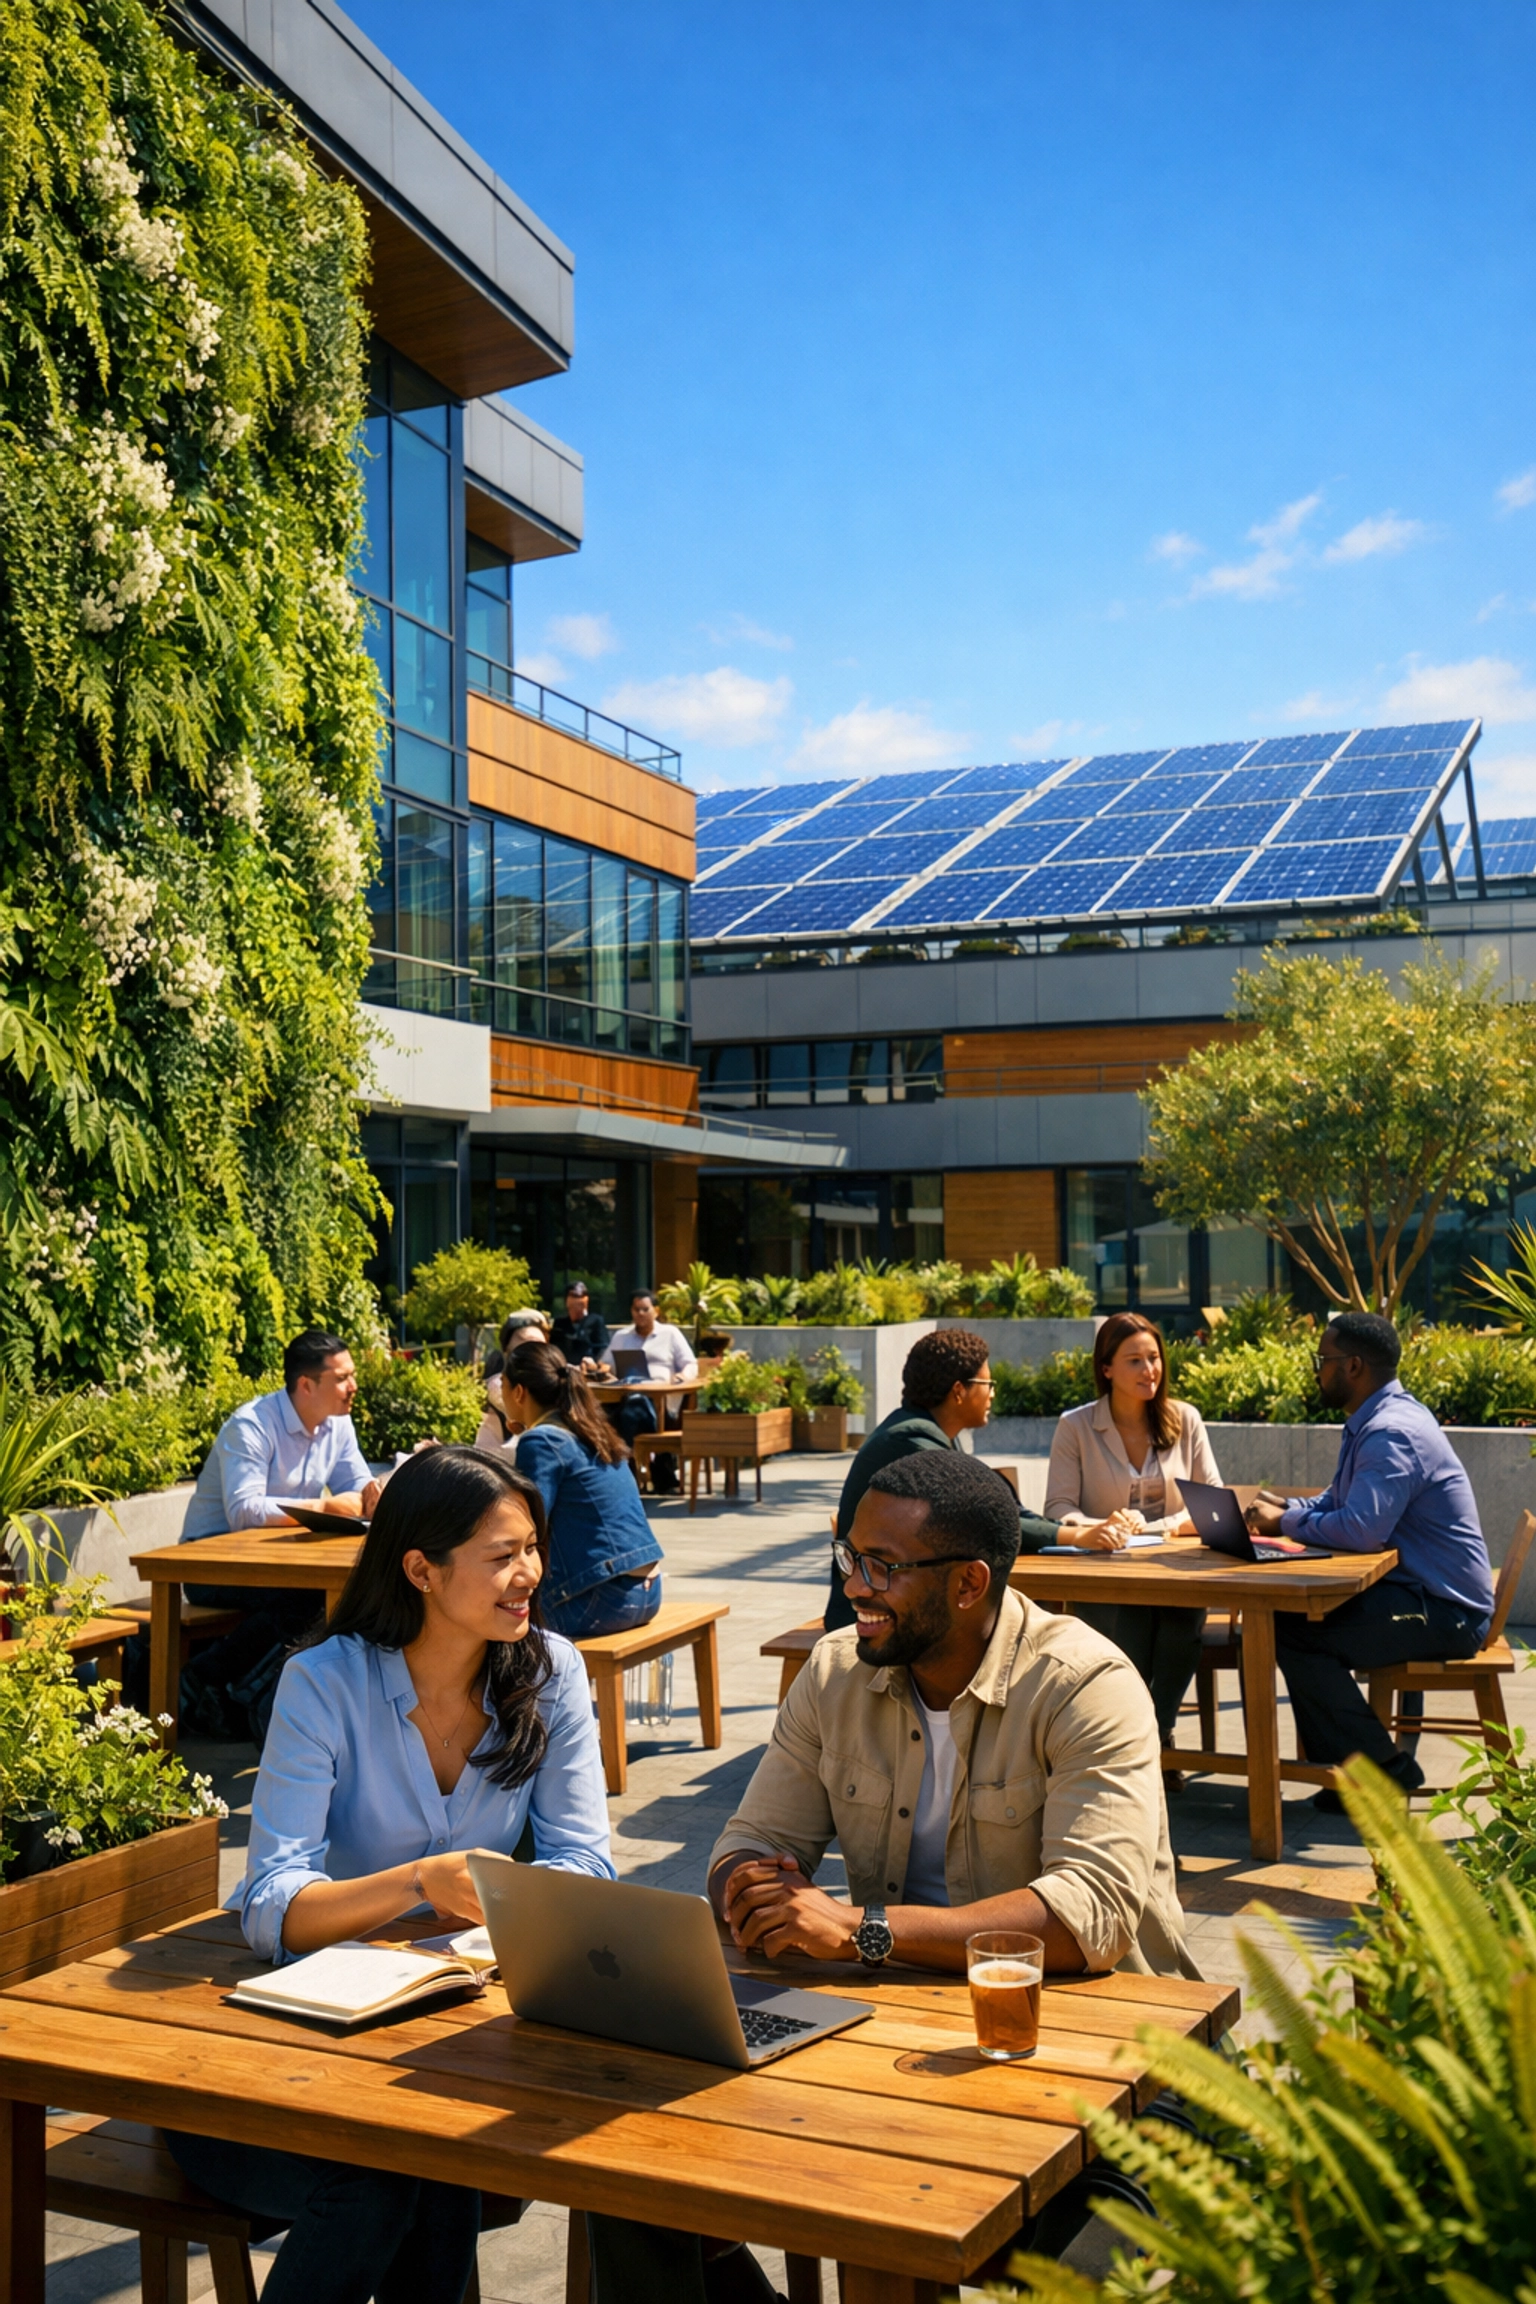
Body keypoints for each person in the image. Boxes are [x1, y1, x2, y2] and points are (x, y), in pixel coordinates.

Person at [692, 1448, 1194, 2285]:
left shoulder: (1084, 1685)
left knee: (1081, 2271)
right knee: (638, 2185)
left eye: (883, 1567)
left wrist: (859, 1932)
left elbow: (1088, 1916)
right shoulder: (834, 1672)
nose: (855, 1586)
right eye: (850, 1557)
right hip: (889, 2051)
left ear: (968, 1585)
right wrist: (746, 1886)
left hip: (1108, 2077)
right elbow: (748, 1838)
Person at [166, 1445, 614, 2304]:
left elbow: (583, 1858)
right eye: (500, 1557)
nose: (529, 1574)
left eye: (531, 1549)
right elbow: (269, 1905)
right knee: (406, 2174)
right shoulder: (321, 1682)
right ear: (420, 1569)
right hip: (291, 2052)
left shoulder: (550, 1673)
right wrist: (418, 1882)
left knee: (429, 2160)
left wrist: (506, 1923)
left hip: (445, 2035)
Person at [1247, 1310, 1494, 1811]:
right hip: (1418, 1593)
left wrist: (1283, 1525)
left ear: (1353, 1366)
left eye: (1324, 1359)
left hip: (1448, 1612)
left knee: (1297, 1633)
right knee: (1291, 1621)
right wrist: (1286, 1510)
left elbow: (1362, 1530)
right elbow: (1338, 1501)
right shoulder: (1378, 1419)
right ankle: (1352, 1774)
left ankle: (1382, 1771)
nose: (1317, 1370)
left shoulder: (1391, 1433)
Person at [823, 1327, 1136, 1632]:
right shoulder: (910, 1441)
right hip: (870, 1612)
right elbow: (983, 1518)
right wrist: (1078, 1538)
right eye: (988, 1383)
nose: (993, 1393)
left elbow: (1000, 1506)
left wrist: (1075, 1529)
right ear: (960, 1390)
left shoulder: (935, 1433)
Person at [173, 1332, 384, 1737]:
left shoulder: (338, 1425)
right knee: (310, 1597)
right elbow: (243, 1511)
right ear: (307, 1385)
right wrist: (324, 1507)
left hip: (281, 1559)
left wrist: (376, 1493)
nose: (353, 1387)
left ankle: (253, 1693)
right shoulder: (252, 1425)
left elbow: (358, 1489)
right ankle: (213, 1681)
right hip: (208, 1563)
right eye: (343, 1378)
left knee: (346, 1592)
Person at [1046, 1311, 1220, 1766]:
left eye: (1154, 1358)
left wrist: (1158, 1527)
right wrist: (1097, 1527)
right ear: (1106, 1368)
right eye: (1135, 1361)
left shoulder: (1185, 1419)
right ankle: (1148, 1746)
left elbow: (1212, 1503)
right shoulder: (1076, 1427)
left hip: (1178, 1570)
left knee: (1181, 1632)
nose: (1150, 1371)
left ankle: (1149, 1741)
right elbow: (1057, 1509)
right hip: (1108, 1572)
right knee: (1127, 1635)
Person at [500, 1339, 664, 1638]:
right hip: (648, 1591)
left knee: (492, 1615)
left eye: (502, 1384)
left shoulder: (541, 1441)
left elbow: (527, 1523)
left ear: (519, 1391)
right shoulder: (590, 1430)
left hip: (604, 1602)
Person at [606, 1287, 698, 1495]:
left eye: (645, 1309)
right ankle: (657, 1473)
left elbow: (691, 1365)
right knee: (620, 1411)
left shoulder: (670, 1334)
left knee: (628, 1414)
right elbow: (606, 1364)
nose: (640, 1314)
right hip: (626, 1396)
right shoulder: (622, 1337)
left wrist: (681, 1377)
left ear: (655, 1311)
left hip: (662, 1403)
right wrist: (597, 1369)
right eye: (636, 1309)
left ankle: (625, 1474)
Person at [477, 1310, 549, 1450]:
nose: (531, 1359)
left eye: (539, 1348)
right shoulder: (499, 1387)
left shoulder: (559, 1379)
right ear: (507, 1353)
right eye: (521, 1351)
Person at [549, 1280, 613, 1375]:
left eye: (582, 1303)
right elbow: (553, 1348)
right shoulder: (560, 1324)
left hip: (589, 1370)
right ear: (567, 1302)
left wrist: (594, 1363)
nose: (578, 1307)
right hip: (564, 1370)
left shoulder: (595, 1321)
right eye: (574, 1297)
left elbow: (603, 1347)